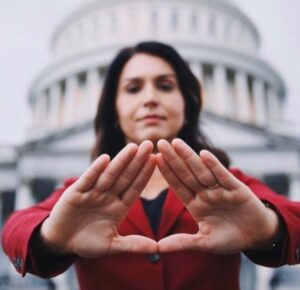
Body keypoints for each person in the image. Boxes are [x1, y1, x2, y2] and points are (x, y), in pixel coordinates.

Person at [2, 41, 300, 290]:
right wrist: (50, 237)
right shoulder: (85, 193)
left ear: (187, 106)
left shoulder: (227, 186)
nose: (150, 99)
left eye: (165, 86)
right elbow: (15, 228)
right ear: (114, 111)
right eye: (133, 88)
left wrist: (269, 228)